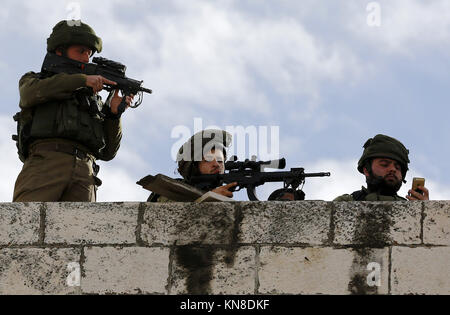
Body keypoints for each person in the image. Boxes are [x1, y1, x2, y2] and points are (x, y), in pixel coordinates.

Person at [13, 20, 133, 202]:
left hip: (86, 173)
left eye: (89, 53)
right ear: (60, 51)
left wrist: (113, 115)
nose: (86, 58)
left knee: (81, 230)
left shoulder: (94, 99)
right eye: (81, 51)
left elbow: (108, 152)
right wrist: (81, 80)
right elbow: (29, 94)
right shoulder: (35, 80)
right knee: (26, 225)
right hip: (45, 163)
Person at [148, 129, 238, 202]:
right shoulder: (170, 190)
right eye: (208, 160)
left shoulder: (221, 197)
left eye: (220, 160)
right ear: (193, 166)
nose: (216, 164)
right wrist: (210, 198)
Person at [334, 134, 429, 201]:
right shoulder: (347, 203)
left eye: (397, 168)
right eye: (384, 164)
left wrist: (424, 211)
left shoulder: (410, 210)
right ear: (367, 170)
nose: (392, 169)